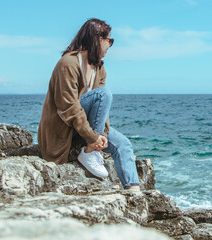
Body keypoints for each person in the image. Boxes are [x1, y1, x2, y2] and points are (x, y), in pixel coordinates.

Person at [38, 18, 140, 191]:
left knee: (123, 144)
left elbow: (102, 110)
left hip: (84, 129)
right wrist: (93, 139)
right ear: (98, 39)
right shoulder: (68, 63)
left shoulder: (100, 68)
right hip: (63, 129)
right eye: (110, 40)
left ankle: (134, 192)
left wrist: (103, 135)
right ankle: (91, 152)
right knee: (103, 94)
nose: (110, 46)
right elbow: (68, 108)